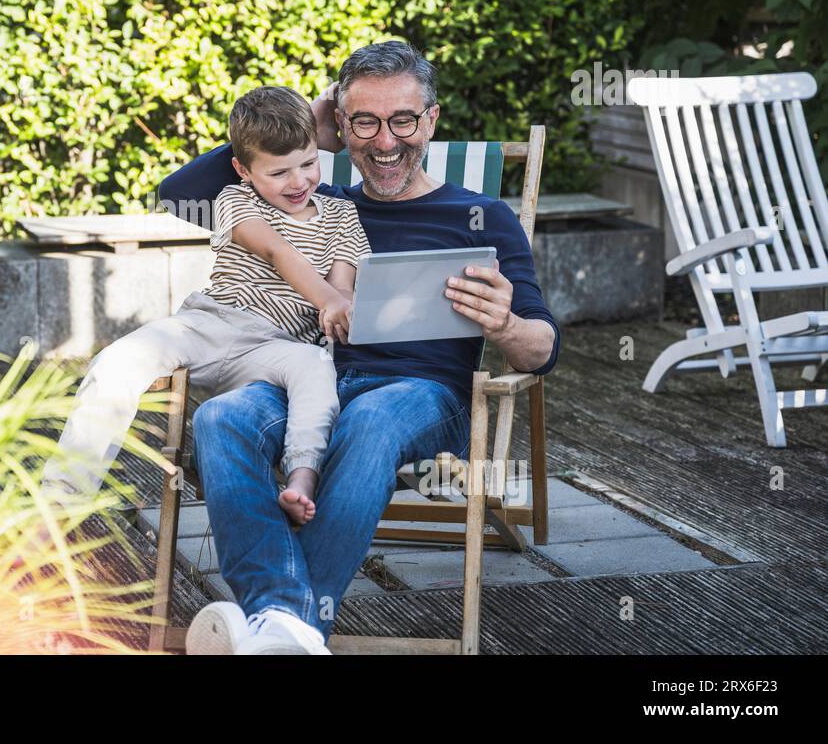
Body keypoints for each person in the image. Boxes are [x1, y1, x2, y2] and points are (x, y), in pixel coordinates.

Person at [162, 40, 561, 655]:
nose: (384, 142)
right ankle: (285, 627)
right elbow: (178, 196)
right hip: (308, 376)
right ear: (341, 127)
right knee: (220, 417)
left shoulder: (481, 216)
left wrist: (504, 324)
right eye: (364, 122)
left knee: (370, 419)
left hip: (421, 397)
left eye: (403, 120)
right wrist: (306, 123)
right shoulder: (313, 205)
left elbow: (539, 351)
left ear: (430, 120)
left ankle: (286, 623)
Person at [39, 85, 371, 526]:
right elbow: (275, 250)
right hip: (209, 325)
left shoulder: (343, 215)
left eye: (309, 164)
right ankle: (59, 507)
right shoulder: (236, 198)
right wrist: (327, 298)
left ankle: (301, 477)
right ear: (242, 170)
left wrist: (341, 307)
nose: (298, 182)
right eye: (278, 173)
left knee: (315, 367)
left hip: (276, 347)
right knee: (116, 362)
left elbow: (342, 286)